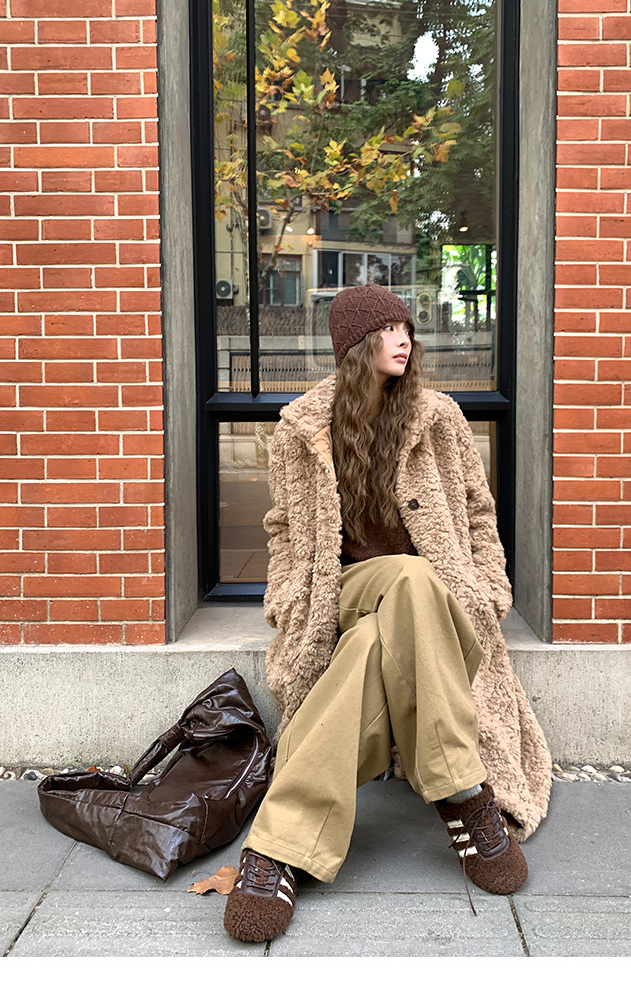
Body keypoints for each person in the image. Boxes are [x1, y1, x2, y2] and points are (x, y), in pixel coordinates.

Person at [224, 283, 551, 943]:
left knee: (375, 641)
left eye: (407, 328)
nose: (405, 338)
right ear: (355, 345)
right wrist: (287, 600)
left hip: (436, 610)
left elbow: (479, 514)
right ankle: (464, 790)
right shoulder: (303, 430)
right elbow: (283, 528)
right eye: (389, 329)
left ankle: (278, 849)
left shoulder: (438, 418)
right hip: (346, 593)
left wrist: (489, 590)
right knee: (404, 576)